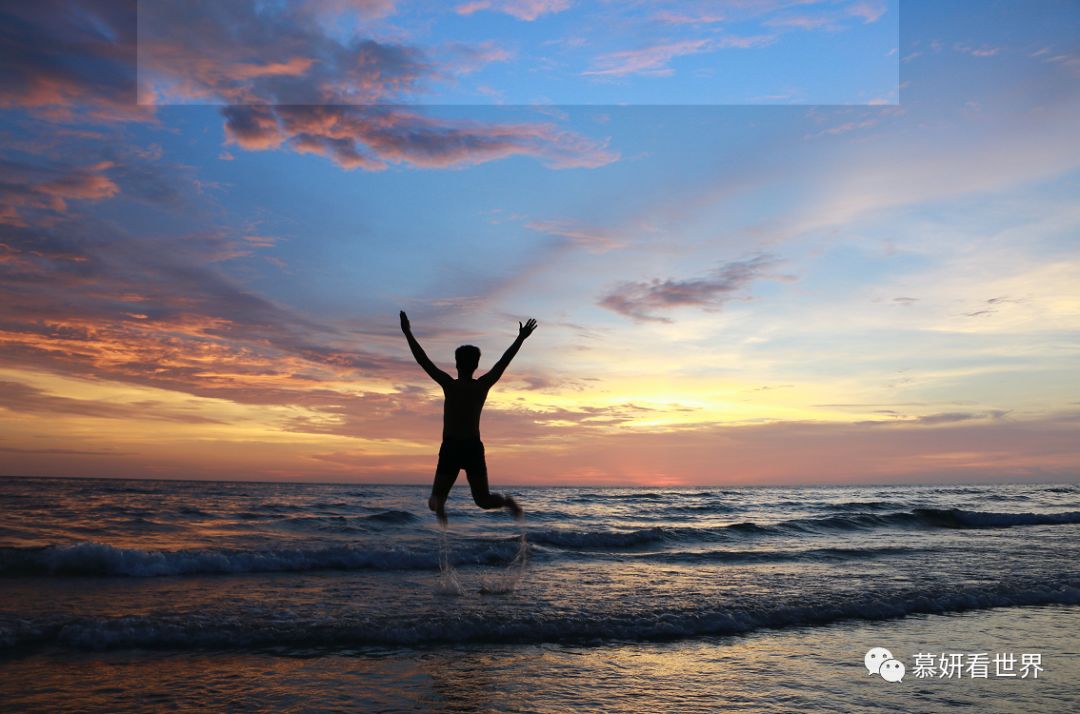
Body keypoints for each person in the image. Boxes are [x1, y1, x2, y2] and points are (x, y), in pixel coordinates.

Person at [400, 310, 537, 524]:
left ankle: (440, 507)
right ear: (476, 365)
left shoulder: (449, 384)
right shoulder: (482, 385)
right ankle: (507, 502)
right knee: (482, 501)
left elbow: (423, 361)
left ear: (456, 364)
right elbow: (503, 362)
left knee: (435, 500)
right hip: (472, 446)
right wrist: (520, 338)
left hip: (452, 446)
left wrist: (407, 333)